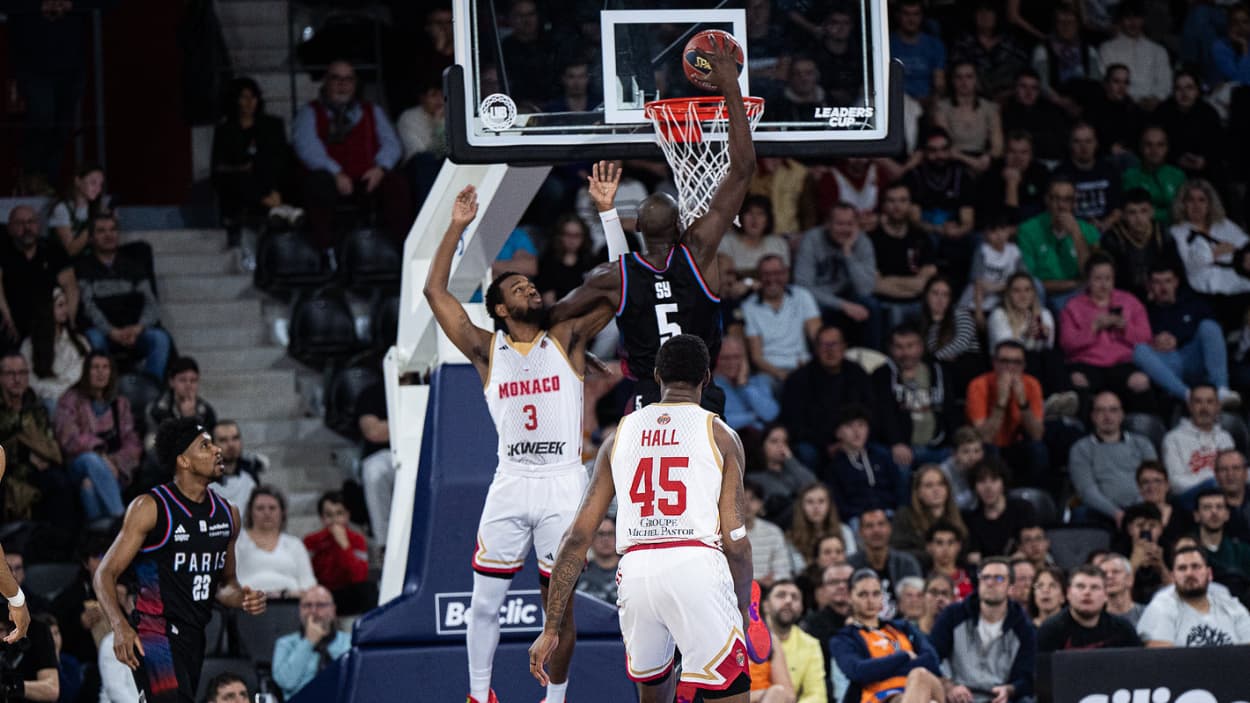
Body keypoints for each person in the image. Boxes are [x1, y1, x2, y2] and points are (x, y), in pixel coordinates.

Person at [426, 188, 614, 703]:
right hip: (510, 480)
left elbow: (621, 289)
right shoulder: (487, 350)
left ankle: (553, 701)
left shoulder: (568, 337)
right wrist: (456, 225)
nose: (531, 289)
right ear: (501, 308)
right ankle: (479, 695)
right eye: (519, 287)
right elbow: (434, 292)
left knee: (561, 607)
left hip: (562, 481)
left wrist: (608, 216)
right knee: (483, 602)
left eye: (531, 283)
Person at [528, 335, 757, 702]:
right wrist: (743, 607)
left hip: (635, 574)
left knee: (654, 692)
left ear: (655, 375)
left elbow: (575, 539)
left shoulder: (618, 436)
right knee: (730, 691)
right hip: (695, 563)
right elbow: (735, 542)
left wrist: (551, 627)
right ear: (707, 378)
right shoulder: (721, 436)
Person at [549, 42, 754, 417]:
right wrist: (731, 88)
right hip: (700, 397)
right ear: (681, 224)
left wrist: (574, 346)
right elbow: (741, 169)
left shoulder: (617, 275)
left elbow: (555, 315)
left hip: (648, 399)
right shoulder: (698, 252)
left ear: (637, 226)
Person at [94, 418, 267, 703]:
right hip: (154, 631)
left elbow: (225, 585)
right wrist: (120, 625)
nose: (217, 450)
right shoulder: (150, 507)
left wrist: (242, 598)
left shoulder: (228, 514)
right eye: (205, 445)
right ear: (183, 461)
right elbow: (104, 573)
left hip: (195, 634)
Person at [291, 60, 409, 251]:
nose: (342, 84)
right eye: (335, 78)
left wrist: (380, 168)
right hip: (330, 179)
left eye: (348, 79)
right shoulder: (310, 112)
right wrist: (335, 172)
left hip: (367, 178)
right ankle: (324, 252)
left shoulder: (372, 111)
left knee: (396, 183)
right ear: (326, 82)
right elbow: (307, 147)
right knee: (316, 184)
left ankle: (399, 250)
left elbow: (392, 144)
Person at [76, 214, 171, 381]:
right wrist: (111, 331)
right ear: (91, 238)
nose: (109, 235)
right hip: (103, 331)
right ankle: (104, 389)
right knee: (93, 338)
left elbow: (151, 304)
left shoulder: (134, 266)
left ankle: (151, 388)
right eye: (101, 231)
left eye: (113, 230)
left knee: (160, 338)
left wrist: (138, 328)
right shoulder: (84, 267)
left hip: (133, 331)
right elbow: (88, 306)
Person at [929, 557, 1037, 703]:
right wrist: (949, 686)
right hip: (956, 697)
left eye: (998, 578)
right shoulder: (953, 615)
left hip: (998, 698)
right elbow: (931, 657)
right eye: (985, 577)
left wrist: (1009, 690)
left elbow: (1026, 678)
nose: (990, 583)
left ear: (1011, 588)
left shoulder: (1024, 627)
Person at [829, 569, 945, 703]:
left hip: (917, 688)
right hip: (879, 698)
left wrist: (879, 669)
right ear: (850, 597)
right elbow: (858, 671)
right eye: (863, 595)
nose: (870, 600)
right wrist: (905, 656)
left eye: (876, 594)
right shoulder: (843, 639)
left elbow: (931, 661)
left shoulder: (903, 627)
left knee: (920, 675)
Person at [53, 352, 141, 521]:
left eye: (105, 367)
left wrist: (114, 462)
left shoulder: (120, 404)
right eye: (95, 367)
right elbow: (68, 438)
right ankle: (120, 518)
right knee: (91, 460)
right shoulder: (70, 399)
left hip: (115, 470)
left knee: (90, 486)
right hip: (78, 464)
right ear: (86, 372)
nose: (100, 372)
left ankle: (99, 535)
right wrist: (101, 455)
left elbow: (132, 441)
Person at [1134, 263, 1239, 406]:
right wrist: (1153, 341)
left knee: (1209, 326)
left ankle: (1221, 389)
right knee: (1139, 350)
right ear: (1149, 285)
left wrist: (1177, 338)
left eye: (1167, 281)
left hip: (1192, 358)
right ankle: (1188, 396)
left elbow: (1212, 330)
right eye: (1157, 282)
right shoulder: (1142, 309)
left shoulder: (1192, 302)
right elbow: (1135, 337)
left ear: (1176, 282)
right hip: (1167, 363)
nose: (1163, 287)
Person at [210, 77, 298, 246]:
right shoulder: (225, 131)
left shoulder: (272, 126)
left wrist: (271, 185)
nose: (249, 102)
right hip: (238, 181)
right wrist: (241, 168)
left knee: (266, 167)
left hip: (269, 179)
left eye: (253, 97)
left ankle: (272, 202)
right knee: (242, 179)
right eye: (244, 97)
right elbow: (217, 167)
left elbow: (280, 157)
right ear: (235, 100)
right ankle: (274, 205)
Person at [1059, 255, 1153, 412]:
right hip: (1087, 363)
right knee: (1077, 381)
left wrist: (1124, 327)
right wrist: (1093, 328)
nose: (1104, 284)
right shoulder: (1073, 306)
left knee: (1140, 381)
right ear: (1088, 280)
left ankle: (1142, 430)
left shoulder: (1129, 301)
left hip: (1122, 363)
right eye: (1098, 279)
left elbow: (1146, 338)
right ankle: (1082, 431)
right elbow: (1067, 344)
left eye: (1108, 278)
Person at [778, 326, 874, 470]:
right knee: (806, 452)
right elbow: (794, 424)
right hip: (816, 443)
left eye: (834, 344)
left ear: (844, 347)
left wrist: (850, 439)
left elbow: (869, 411)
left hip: (855, 438)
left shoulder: (857, 374)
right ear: (815, 349)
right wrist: (827, 446)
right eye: (824, 345)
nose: (830, 350)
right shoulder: (799, 379)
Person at [793, 203, 880, 348]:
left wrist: (848, 254)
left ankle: (871, 361)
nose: (844, 229)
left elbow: (866, 289)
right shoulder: (812, 239)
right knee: (813, 309)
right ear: (828, 223)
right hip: (819, 299)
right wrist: (842, 306)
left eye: (849, 224)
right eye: (839, 224)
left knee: (871, 305)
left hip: (849, 295)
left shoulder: (862, 242)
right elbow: (802, 285)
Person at [871, 324, 955, 472]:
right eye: (899, 347)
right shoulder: (882, 375)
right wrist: (896, 443)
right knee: (900, 466)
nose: (905, 353)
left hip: (937, 447)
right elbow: (883, 414)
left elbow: (949, 409)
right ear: (890, 349)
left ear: (921, 347)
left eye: (910, 346)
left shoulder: (937, 371)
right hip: (902, 448)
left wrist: (955, 443)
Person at [0, 352, 72, 523]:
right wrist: (24, 450)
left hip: (35, 471)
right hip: (6, 473)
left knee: (60, 483)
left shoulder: (36, 408)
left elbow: (49, 444)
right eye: (11, 374)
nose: (17, 379)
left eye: (22, 373)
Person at [966, 342, 1049, 489]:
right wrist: (1001, 402)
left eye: (1017, 362)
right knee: (989, 448)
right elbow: (984, 436)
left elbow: (1037, 434)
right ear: (994, 363)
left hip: (1017, 446)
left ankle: (1033, 497)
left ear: (1024, 365)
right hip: (989, 447)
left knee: (1038, 450)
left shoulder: (1032, 384)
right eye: (1004, 361)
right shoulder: (978, 385)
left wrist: (1023, 403)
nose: (1010, 367)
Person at [1168, 179, 1250, 328]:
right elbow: (1190, 266)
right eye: (1190, 200)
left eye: (1202, 200)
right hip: (1204, 293)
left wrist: (1240, 255)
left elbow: (1244, 245)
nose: (1196, 205)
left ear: (1209, 204)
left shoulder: (1224, 224)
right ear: (1183, 204)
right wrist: (1215, 252)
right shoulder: (1177, 232)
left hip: (1239, 287)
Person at [1069, 391, 1158, 526]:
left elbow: (1153, 480)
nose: (1107, 416)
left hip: (1142, 508)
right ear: (1093, 416)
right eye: (1101, 410)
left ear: (1122, 415)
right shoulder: (1080, 449)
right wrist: (1117, 514)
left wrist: (1136, 512)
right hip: (1101, 512)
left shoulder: (1142, 444)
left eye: (1113, 410)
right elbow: (1087, 491)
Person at [1137, 546, 1250, 646]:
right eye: (1182, 568)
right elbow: (1161, 660)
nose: (1189, 573)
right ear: (1173, 577)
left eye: (1196, 566)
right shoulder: (1160, 607)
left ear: (1209, 574)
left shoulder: (1231, 605)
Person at [1, 206, 79, 342]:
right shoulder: (2, 249)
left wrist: (68, 321)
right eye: (20, 223)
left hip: (50, 321)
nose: (27, 227)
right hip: (13, 321)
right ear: (9, 228)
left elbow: (71, 287)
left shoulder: (53, 249)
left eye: (31, 222)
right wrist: (8, 319)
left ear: (39, 226)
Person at [742, 255, 821, 386]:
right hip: (770, 373)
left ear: (786, 274)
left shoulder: (802, 296)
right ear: (759, 277)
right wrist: (782, 375)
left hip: (803, 366)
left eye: (777, 273)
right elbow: (756, 357)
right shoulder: (749, 306)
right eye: (766, 274)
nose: (772, 279)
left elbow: (818, 337)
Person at [986, 273, 1068, 398]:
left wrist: (1045, 336)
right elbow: (1005, 350)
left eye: (1027, 290)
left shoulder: (1044, 314)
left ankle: (1060, 396)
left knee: (1052, 355)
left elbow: (1048, 346)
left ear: (1033, 293)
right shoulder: (998, 315)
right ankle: (1043, 399)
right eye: (1016, 291)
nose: (1023, 296)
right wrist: (1025, 336)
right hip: (1006, 364)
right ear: (1008, 294)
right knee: (1031, 357)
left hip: (1039, 361)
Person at [869, 183, 937, 327]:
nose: (897, 206)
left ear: (910, 204)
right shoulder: (872, 239)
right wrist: (912, 286)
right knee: (896, 314)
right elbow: (876, 285)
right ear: (883, 205)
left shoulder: (921, 237)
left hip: (919, 302)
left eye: (902, 200)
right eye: (891, 201)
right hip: (887, 304)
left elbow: (925, 283)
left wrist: (891, 281)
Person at [235, 486, 317, 599]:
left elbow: (308, 583)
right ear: (250, 512)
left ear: (282, 512)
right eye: (260, 508)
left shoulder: (295, 544)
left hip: (290, 604)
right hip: (248, 605)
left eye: (272, 508)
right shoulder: (237, 542)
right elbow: (228, 583)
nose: (267, 513)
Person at [821, 406, 900, 521]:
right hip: (857, 518)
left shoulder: (882, 456)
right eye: (849, 426)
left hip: (888, 513)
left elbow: (898, 490)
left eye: (861, 425)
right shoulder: (835, 467)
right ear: (838, 433)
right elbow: (839, 504)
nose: (856, 431)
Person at [271, 585, 351, 700]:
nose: (313, 611)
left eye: (320, 605)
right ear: (300, 610)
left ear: (333, 610)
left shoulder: (349, 642)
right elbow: (286, 682)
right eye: (307, 606)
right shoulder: (285, 644)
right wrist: (308, 642)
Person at [1036, 565, 1142, 651]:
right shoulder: (1050, 631)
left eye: (1095, 587)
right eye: (1080, 586)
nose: (1087, 592)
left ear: (1105, 595)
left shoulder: (1122, 629)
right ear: (1068, 593)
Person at [303, 491, 375, 614]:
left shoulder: (357, 540)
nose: (335, 520)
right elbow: (307, 575)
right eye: (329, 515)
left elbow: (359, 576)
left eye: (339, 514)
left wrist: (344, 545)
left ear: (347, 515)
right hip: (322, 592)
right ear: (322, 518)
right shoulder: (311, 541)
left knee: (368, 589)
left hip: (349, 593)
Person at [19, 287, 89, 410]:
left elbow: (82, 370)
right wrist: (52, 392)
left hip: (74, 397)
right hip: (45, 399)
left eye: (66, 304)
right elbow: (28, 379)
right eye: (60, 305)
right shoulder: (29, 344)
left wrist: (61, 391)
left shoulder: (78, 341)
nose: (66, 309)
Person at [1163, 384, 1236, 498]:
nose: (1204, 408)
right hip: (1192, 500)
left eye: (1210, 402)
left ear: (1218, 406)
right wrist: (1212, 480)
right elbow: (1175, 484)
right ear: (1190, 406)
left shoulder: (1225, 437)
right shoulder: (1173, 439)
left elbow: (1235, 474)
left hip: (1224, 498)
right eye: (1198, 402)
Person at [848, 509, 923, 619]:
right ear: (860, 532)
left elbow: (918, 602)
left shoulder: (907, 563)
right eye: (869, 526)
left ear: (889, 528)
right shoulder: (851, 566)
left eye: (881, 524)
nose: (876, 530)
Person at [931, 61, 1004, 174]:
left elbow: (998, 146)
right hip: (953, 159)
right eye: (959, 77)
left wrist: (987, 157)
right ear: (953, 81)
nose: (964, 82)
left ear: (976, 80)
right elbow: (944, 145)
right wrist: (972, 162)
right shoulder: (942, 108)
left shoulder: (990, 108)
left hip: (983, 159)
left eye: (969, 77)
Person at [1032, 5, 1105, 117]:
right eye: (1061, 22)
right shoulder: (1042, 50)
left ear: (1078, 25)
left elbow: (1096, 79)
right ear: (1055, 25)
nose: (1066, 27)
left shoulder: (1089, 50)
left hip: (1085, 103)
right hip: (1054, 103)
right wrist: (1060, 101)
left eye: (1070, 22)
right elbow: (1041, 83)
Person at [962, 457, 1038, 561]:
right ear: (974, 487)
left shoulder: (1023, 509)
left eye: (994, 480)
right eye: (981, 481)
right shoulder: (971, 520)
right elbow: (974, 558)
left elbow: (1032, 546)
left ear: (1003, 483)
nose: (988, 487)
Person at [1097, 2, 1171, 110]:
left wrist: (1156, 98)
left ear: (1143, 19)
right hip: (1120, 106)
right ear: (1121, 20)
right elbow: (1107, 80)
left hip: (1153, 107)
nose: (1133, 22)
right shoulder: (1107, 49)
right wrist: (1133, 100)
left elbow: (1165, 83)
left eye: (1136, 17)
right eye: (1128, 17)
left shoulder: (1158, 51)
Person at [1052, 123, 1124, 232]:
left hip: (1107, 230)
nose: (1083, 146)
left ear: (1096, 143)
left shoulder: (1110, 170)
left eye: (1088, 141)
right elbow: (1055, 209)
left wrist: (1104, 225)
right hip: (1070, 231)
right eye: (1077, 141)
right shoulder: (1059, 173)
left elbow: (1118, 208)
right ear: (1070, 144)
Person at [763, 581, 826, 703]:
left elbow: (817, 696)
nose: (788, 601)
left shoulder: (810, 644)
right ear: (765, 605)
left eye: (795, 597)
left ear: (802, 608)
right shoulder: (747, 636)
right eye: (781, 595)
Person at [951, 2, 1029, 100]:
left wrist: (1008, 94)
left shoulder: (1010, 42)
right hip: (974, 98)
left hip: (1010, 98)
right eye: (980, 12)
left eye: (989, 12)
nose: (984, 16)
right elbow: (957, 70)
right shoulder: (964, 42)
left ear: (997, 16)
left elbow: (1024, 72)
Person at [918, 275, 983, 392]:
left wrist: (935, 359)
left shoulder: (960, 314)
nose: (940, 299)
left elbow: (961, 343)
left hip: (966, 366)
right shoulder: (923, 324)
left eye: (945, 295)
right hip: (941, 369)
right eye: (935, 293)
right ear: (926, 295)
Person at [962, 214, 1025, 327]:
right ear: (986, 234)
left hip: (1001, 297)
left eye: (1002, 230)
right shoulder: (982, 251)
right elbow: (978, 283)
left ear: (1008, 231)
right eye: (994, 231)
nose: (999, 235)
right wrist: (979, 313)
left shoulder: (1014, 251)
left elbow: (1022, 279)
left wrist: (997, 287)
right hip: (978, 298)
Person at [892, 466, 969, 558]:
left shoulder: (961, 516)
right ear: (918, 492)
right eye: (929, 485)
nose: (936, 490)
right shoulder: (904, 516)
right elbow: (899, 552)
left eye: (941, 484)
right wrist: (932, 555)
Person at [749, 426, 815, 528]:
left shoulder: (794, 471)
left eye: (785, 442)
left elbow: (814, 488)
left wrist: (791, 460)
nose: (781, 446)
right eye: (774, 441)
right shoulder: (754, 478)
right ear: (762, 446)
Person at [786, 483, 857, 575]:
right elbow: (798, 570)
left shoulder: (844, 531)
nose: (816, 507)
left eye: (821, 501)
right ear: (801, 506)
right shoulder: (792, 537)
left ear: (829, 505)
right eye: (810, 502)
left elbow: (851, 562)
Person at [145, 356, 217, 448]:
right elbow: (153, 445)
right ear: (171, 382)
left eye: (193, 381)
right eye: (182, 380)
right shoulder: (156, 409)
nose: (188, 385)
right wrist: (186, 421)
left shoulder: (206, 411)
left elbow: (209, 446)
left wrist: (191, 419)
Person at [1001, 69, 1070, 165]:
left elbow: (1059, 143)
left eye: (1034, 88)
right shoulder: (1005, 110)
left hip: (1048, 161)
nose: (1028, 92)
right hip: (1016, 162)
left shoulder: (1051, 111)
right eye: (1023, 86)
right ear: (1015, 88)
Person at [1119, 131, 1186, 227]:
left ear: (1167, 148)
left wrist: (1155, 214)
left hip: (1176, 230)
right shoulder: (1129, 177)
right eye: (1148, 145)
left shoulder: (1178, 176)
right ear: (1141, 148)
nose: (1154, 150)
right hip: (1140, 231)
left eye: (1160, 145)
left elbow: (1183, 211)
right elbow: (1130, 212)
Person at [355, 378, 393, 545]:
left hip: (429, 450)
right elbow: (374, 432)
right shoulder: (373, 393)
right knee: (374, 471)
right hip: (389, 454)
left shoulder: (433, 385)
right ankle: (384, 544)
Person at [48, 162, 111, 257]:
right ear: (78, 181)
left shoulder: (97, 206)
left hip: (91, 260)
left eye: (100, 184)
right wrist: (94, 223)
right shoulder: (62, 208)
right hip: (66, 263)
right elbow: (71, 250)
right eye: (93, 183)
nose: (98, 189)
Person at [890, 0, 947, 103]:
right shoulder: (887, 44)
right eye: (906, 14)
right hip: (895, 102)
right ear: (898, 16)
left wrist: (931, 102)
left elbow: (939, 84)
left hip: (926, 102)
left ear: (922, 17)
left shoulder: (934, 45)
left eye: (916, 14)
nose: (911, 19)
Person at [720, 195, 791, 277]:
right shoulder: (726, 243)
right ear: (741, 217)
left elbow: (784, 277)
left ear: (768, 220)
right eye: (749, 213)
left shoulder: (778, 244)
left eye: (760, 213)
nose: (754, 219)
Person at [1194, 487, 1250, 591]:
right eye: (1207, 507)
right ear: (1196, 515)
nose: (1214, 512)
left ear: (1227, 514)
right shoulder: (1188, 551)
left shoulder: (1243, 551)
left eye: (1219, 507)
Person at [535, 214, 597, 305]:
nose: (572, 240)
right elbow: (549, 301)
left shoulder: (590, 261)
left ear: (584, 238)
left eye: (577, 235)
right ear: (559, 236)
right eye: (567, 235)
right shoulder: (548, 262)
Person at [97, 581, 140, 703]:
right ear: (127, 604)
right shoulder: (111, 642)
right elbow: (115, 690)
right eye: (135, 602)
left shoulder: (158, 642)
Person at [745, 480, 793, 587]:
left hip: (768, 590)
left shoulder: (773, 532)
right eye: (741, 498)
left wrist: (769, 582)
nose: (746, 504)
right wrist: (756, 582)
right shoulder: (724, 533)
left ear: (761, 504)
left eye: (753, 499)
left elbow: (783, 572)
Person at [0, 614, 58, 702]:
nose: (2, 636)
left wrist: (11, 685)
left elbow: (52, 689)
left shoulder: (37, 630)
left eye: (5, 629)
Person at [207, 420, 261, 508]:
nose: (231, 444)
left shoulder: (251, 476)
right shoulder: (204, 481)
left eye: (235, 438)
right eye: (223, 440)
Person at [926, 522, 975, 601]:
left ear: (958, 546)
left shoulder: (972, 576)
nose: (945, 548)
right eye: (939, 543)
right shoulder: (922, 577)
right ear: (929, 547)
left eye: (950, 543)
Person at [576, 517, 620, 605]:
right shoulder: (580, 574)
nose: (605, 539)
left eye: (610, 533)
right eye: (600, 534)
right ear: (591, 539)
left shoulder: (629, 570)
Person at [939, 427, 982, 511]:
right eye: (966, 451)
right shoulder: (943, 472)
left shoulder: (983, 467)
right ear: (954, 454)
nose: (972, 457)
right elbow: (949, 505)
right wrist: (974, 492)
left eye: (977, 451)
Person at [1099, 555, 1146, 626]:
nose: (1109, 576)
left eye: (1115, 572)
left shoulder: (1147, 614)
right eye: (1104, 574)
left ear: (1130, 579)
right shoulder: (1094, 619)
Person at [1216, 450, 1250, 539]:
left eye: (1236, 468)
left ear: (1246, 473)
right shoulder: (1209, 504)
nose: (1230, 475)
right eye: (1224, 470)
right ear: (1216, 475)